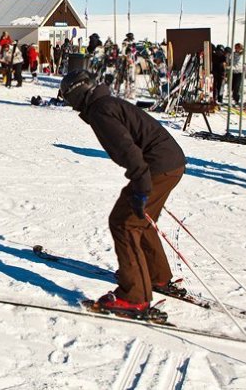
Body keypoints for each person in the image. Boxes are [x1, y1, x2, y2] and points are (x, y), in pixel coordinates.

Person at [59, 70, 187, 320]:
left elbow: (128, 150)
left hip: (158, 165)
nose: (67, 102)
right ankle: (156, 276)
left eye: (66, 96)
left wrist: (141, 185)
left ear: (77, 93)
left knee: (124, 223)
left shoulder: (100, 111)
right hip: (170, 162)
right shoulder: (105, 104)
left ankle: (134, 297)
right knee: (141, 220)